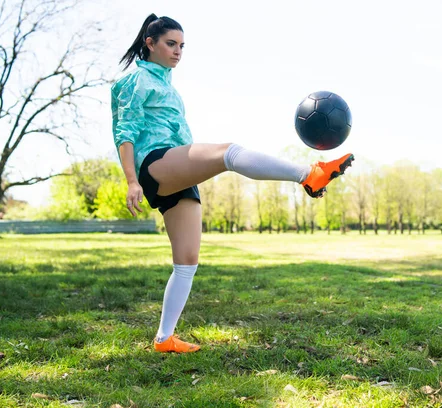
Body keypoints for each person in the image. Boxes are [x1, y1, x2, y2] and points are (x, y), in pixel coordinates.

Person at [112, 14, 354, 353]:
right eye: (171, 44)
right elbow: (124, 133)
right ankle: (308, 174)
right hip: (156, 163)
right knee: (228, 152)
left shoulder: (167, 84)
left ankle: (164, 339)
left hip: (178, 168)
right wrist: (132, 181)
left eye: (182, 46)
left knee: (187, 260)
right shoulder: (133, 81)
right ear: (150, 44)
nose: (178, 51)